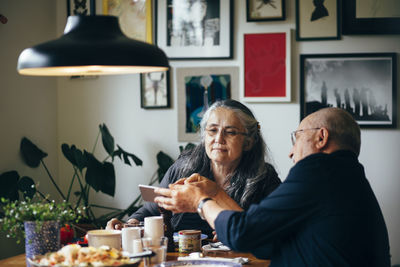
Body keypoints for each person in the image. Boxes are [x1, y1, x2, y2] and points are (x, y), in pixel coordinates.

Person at [154, 107, 391, 266]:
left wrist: (199, 202)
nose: (291, 151)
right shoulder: (345, 176)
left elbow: (242, 232)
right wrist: (214, 193)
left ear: (321, 138)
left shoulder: (319, 169)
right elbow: (262, 239)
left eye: (296, 138)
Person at [107, 100, 281, 237]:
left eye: (230, 132)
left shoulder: (264, 178)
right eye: (212, 130)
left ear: (248, 142)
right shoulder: (184, 167)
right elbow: (152, 209)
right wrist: (129, 225)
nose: (218, 139)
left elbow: (269, 232)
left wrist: (230, 234)